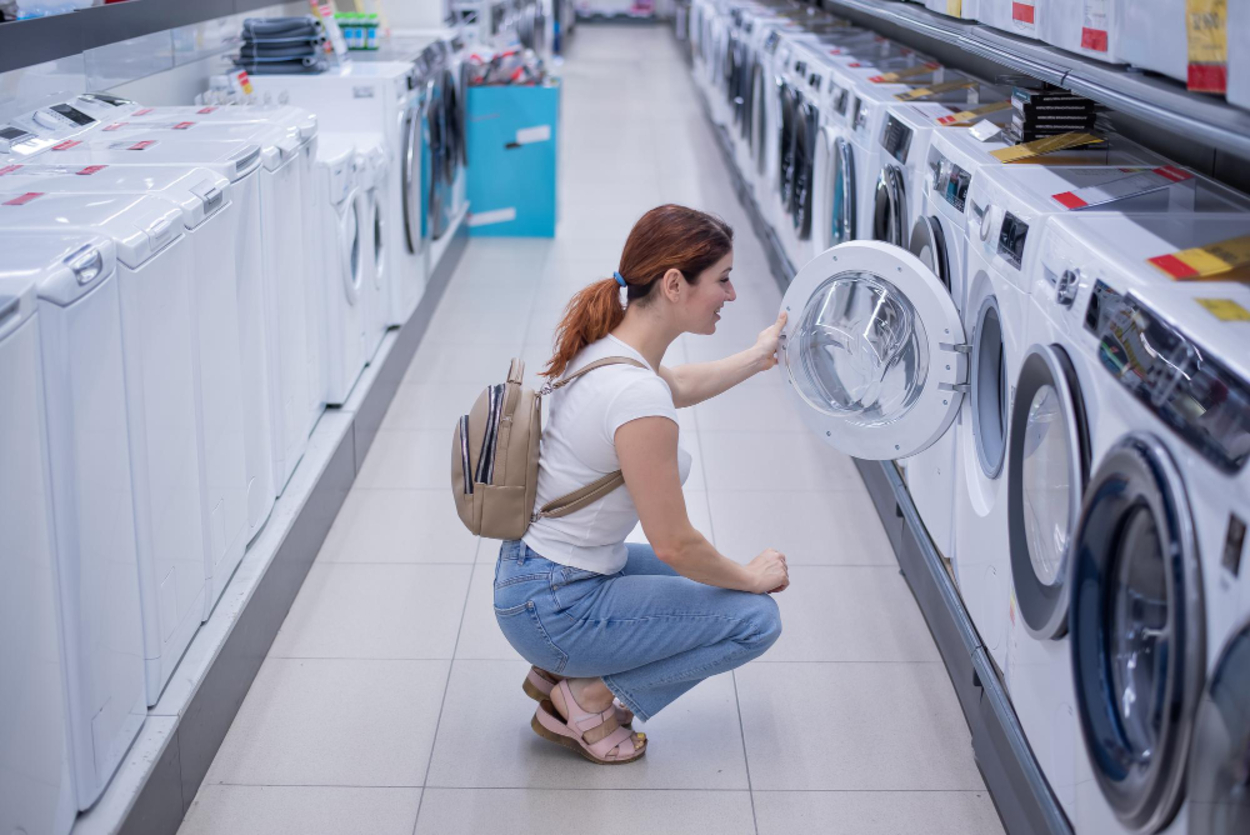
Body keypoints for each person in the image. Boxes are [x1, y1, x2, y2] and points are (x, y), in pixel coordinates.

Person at [494, 204, 790, 765]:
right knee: (754, 619)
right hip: (556, 606)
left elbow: (674, 382)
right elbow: (673, 544)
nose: (731, 295)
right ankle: (586, 694)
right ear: (675, 284)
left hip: (534, 577)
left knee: (717, 587)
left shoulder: (607, 349)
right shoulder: (636, 397)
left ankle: (561, 671)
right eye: (722, 279)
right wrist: (751, 577)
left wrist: (756, 356)